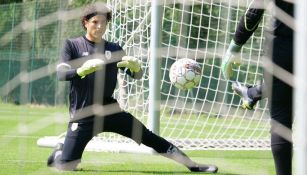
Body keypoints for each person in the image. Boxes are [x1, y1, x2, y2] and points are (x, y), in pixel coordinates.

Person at [47, 3, 218, 173]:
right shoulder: (72, 45)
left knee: (148, 136)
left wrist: (137, 68)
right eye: (95, 22)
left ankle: (193, 165)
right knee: (67, 166)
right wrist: (82, 70)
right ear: (85, 22)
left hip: (110, 110)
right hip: (83, 114)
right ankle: (60, 153)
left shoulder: (113, 48)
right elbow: (61, 74)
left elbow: (135, 74)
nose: (100, 26)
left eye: (104, 22)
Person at [221, 0, 294, 175]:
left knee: (281, 121)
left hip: (282, 48)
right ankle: (253, 92)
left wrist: (235, 46)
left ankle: (253, 93)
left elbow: (255, 10)